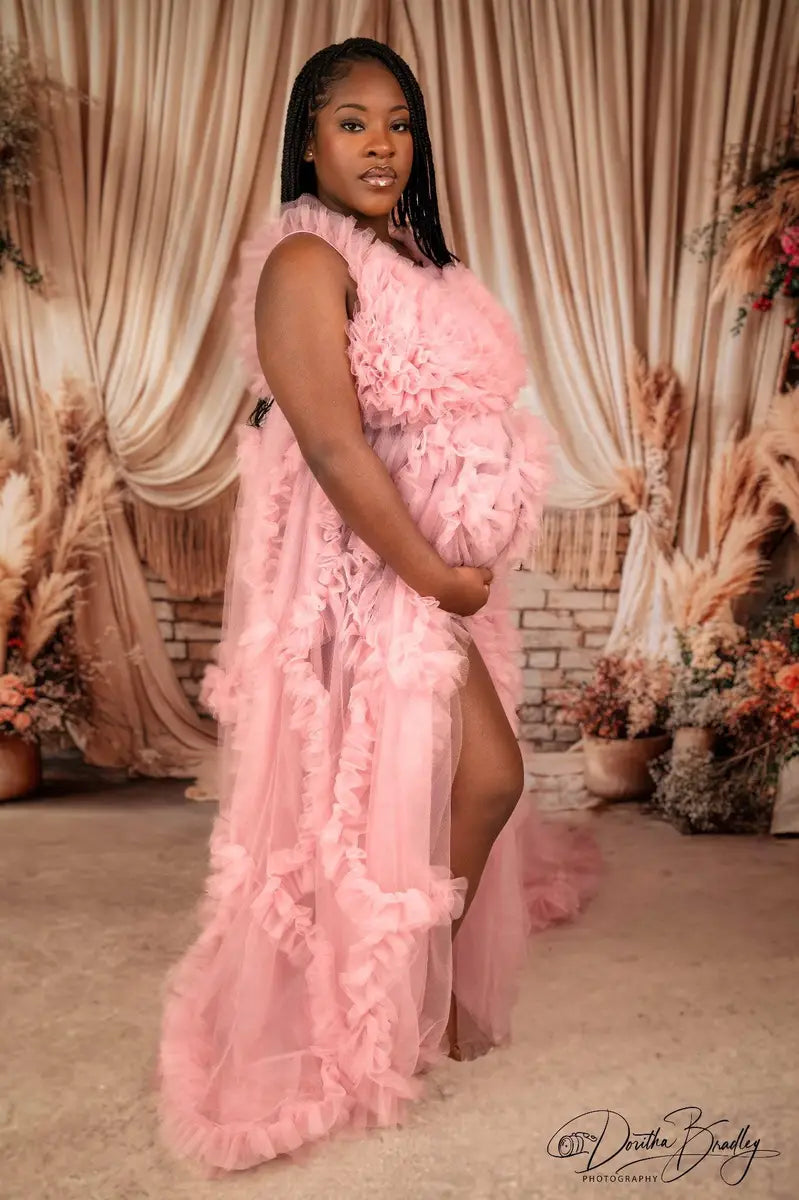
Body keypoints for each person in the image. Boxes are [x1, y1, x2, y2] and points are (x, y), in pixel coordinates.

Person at [157, 36, 602, 1175]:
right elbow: (333, 446)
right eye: (351, 122)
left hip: (416, 569)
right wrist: (436, 575)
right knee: (474, 780)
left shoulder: (410, 258)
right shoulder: (304, 261)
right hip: (364, 570)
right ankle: (384, 1005)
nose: (380, 144)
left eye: (398, 123)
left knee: (427, 793)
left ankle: (409, 995)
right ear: (307, 141)